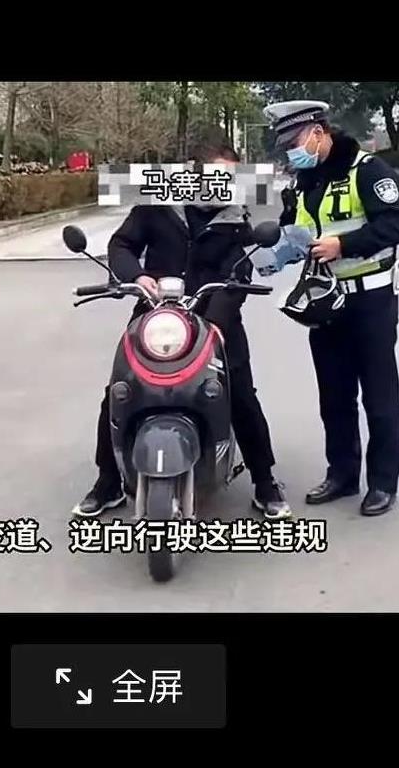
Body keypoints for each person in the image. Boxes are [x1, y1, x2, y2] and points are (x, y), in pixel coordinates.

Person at [74, 133, 290, 519]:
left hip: (216, 316)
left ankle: (265, 481)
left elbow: (240, 269)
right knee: (119, 392)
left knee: (239, 392)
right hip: (155, 317)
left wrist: (217, 322)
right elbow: (121, 245)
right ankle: (107, 482)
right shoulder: (158, 203)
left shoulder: (237, 215)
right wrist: (137, 276)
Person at [267, 101, 399, 516]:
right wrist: (277, 252)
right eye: (286, 146)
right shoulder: (303, 181)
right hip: (325, 301)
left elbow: (395, 225)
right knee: (334, 396)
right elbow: (295, 229)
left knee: (379, 396)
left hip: (370, 300)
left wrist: (342, 245)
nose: (293, 152)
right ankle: (343, 475)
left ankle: (382, 483)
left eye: (295, 142)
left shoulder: (368, 170)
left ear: (318, 132)